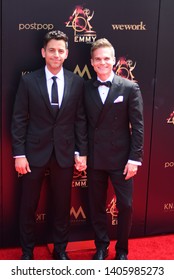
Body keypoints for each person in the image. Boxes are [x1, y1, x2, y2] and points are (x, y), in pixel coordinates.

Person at [11, 30, 87, 260]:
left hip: (64, 153)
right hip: (33, 153)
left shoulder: (77, 82)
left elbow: (80, 119)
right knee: (28, 206)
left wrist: (81, 152)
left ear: (67, 54)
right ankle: (27, 252)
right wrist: (19, 154)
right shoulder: (28, 80)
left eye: (60, 51)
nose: (56, 54)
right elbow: (19, 119)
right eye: (51, 50)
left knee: (62, 206)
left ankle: (60, 250)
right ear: (43, 52)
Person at [84, 38, 144, 260]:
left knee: (126, 206)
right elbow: (82, 123)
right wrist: (81, 153)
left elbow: (138, 126)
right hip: (95, 157)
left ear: (114, 60)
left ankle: (122, 250)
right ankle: (101, 246)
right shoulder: (85, 88)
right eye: (98, 59)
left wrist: (134, 158)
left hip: (122, 159)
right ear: (91, 62)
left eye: (106, 58)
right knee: (96, 205)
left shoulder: (129, 87)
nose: (102, 62)